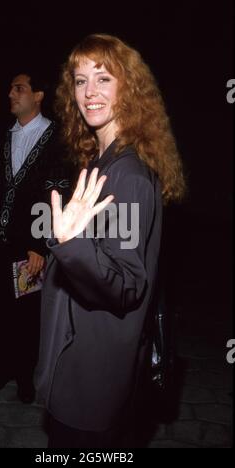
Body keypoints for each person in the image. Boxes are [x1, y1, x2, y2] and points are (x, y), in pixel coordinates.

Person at [35, 34, 186, 447]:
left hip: (91, 378)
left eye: (103, 78)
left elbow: (126, 282)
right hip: (85, 364)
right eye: (80, 80)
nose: (89, 92)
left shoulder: (127, 174)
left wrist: (69, 245)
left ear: (129, 88)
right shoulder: (105, 161)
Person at [0, 71, 73, 404]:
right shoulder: (4, 135)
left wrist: (41, 244)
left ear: (37, 95)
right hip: (2, 238)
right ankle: (1, 369)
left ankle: (25, 377)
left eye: (18, 88)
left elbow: (57, 191)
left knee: (26, 313)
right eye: (10, 88)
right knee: (1, 308)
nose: (10, 93)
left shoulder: (54, 137)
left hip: (30, 243)